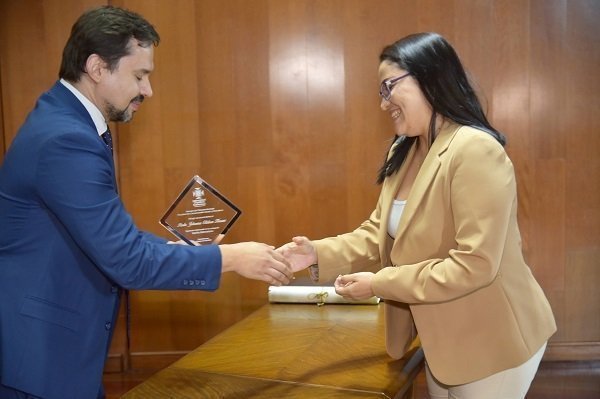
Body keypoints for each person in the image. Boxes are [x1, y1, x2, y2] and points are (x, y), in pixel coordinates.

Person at [0, 6, 293, 399]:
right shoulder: (66, 140)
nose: (147, 91)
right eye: (140, 75)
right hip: (40, 358)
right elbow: (126, 260)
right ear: (97, 68)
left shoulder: (64, 121)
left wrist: (185, 249)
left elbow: (108, 236)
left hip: (55, 352)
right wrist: (233, 259)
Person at [278, 32, 556, 399]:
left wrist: (379, 284)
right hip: (443, 344)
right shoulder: (405, 149)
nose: (384, 102)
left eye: (389, 86)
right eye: (381, 91)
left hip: (492, 341)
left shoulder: (474, 150)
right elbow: (380, 231)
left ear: (430, 76)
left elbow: (474, 264)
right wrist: (315, 252)